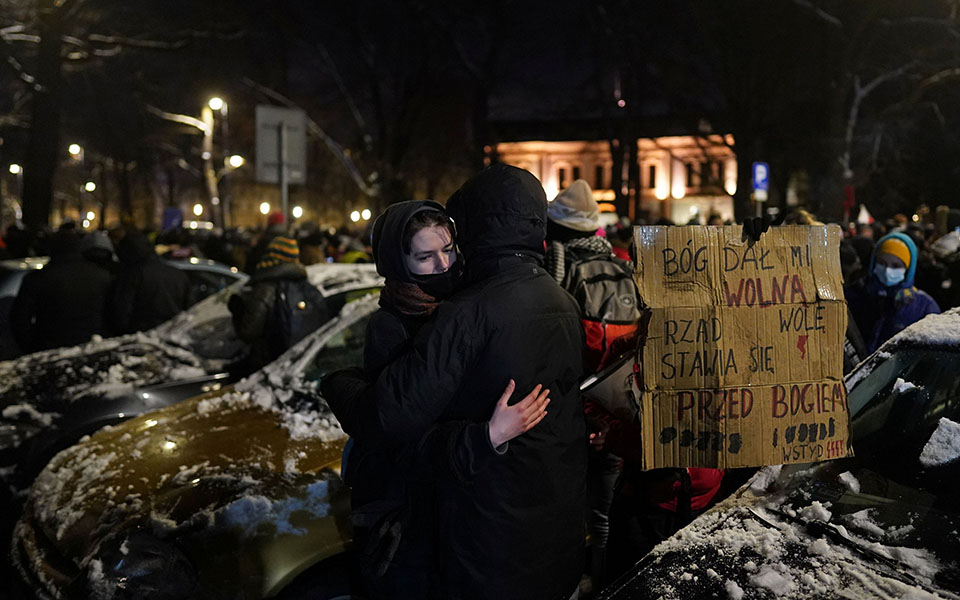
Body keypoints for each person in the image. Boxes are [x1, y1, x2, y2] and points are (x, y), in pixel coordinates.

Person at [325, 164, 587, 600]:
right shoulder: (559, 298)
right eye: (425, 257)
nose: (443, 264)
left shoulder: (467, 311)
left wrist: (339, 384)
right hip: (547, 536)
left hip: (491, 538)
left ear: (474, 228)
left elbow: (388, 418)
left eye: (447, 248)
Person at [10, 230, 113, 353]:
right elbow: (113, 314)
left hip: (50, 348)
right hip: (91, 347)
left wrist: (33, 346)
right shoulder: (102, 276)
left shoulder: (38, 278)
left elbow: (20, 320)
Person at [229, 236, 321, 368]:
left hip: (269, 365)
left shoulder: (265, 288)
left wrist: (237, 311)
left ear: (272, 256)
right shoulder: (305, 286)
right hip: (299, 364)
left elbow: (248, 332)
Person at [847, 232, 941, 353]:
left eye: (896, 265)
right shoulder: (853, 296)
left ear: (908, 270)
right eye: (882, 263)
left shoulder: (924, 307)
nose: (887, 270)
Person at [107, 232, 192, 335]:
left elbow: (121, 313)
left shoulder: (132, 276)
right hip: (172, 336)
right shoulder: (178, 275)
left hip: (141, 338)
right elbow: (190, 310)